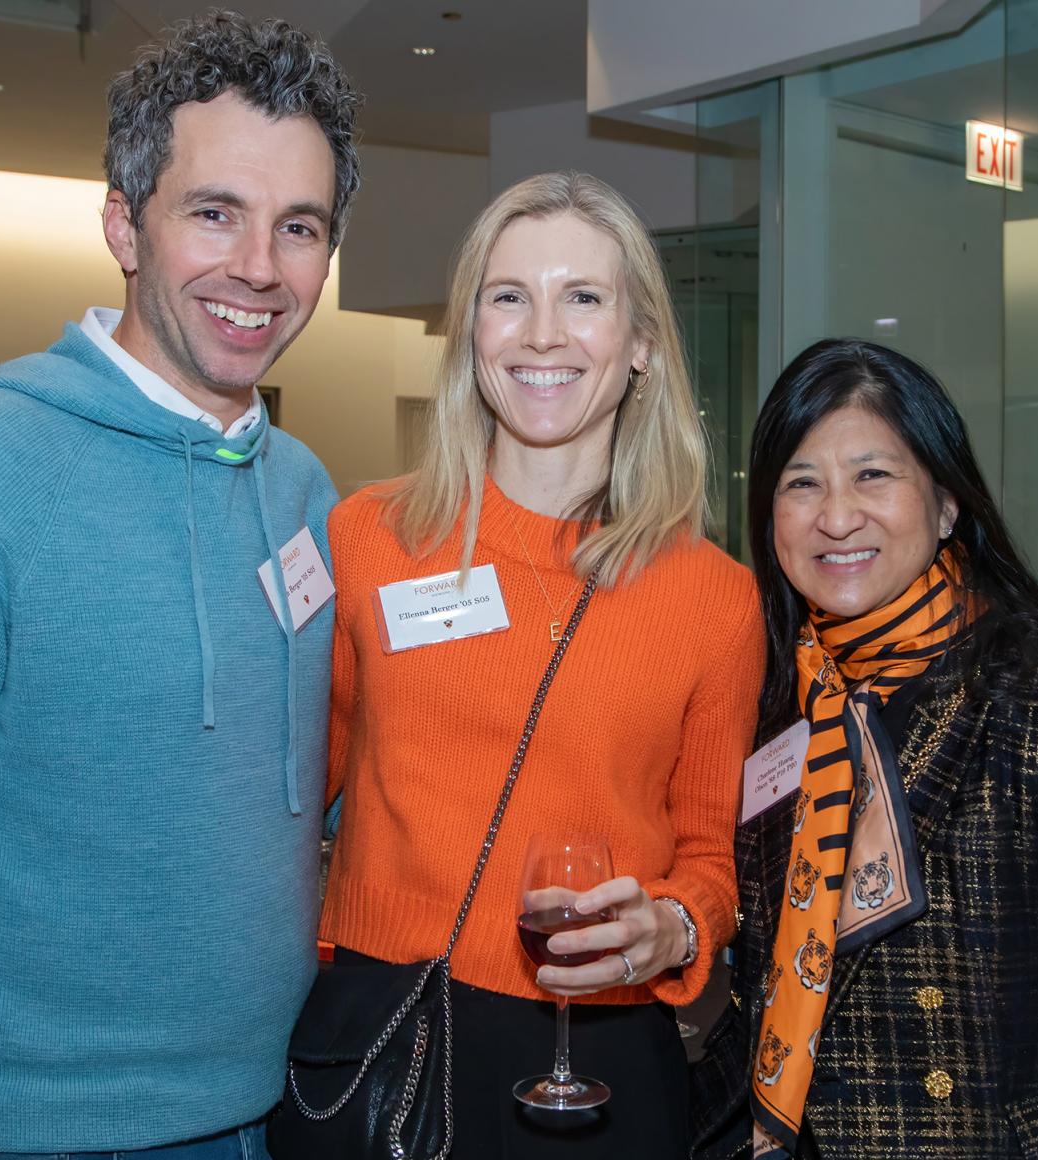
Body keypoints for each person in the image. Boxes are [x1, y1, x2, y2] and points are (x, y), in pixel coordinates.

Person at [276, 171, 765, 1158]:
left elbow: (709, 858)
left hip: (603, 1056)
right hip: (385, 1033)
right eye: (509, 296)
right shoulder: (367, 537)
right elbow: (279, 797)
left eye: (582, 297)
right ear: (472, 332)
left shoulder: (715, 597)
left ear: (639, 342)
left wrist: (673, 926)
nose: (543, 335)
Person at [0, 11, 359, 1158]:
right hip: (35, 1129)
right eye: (214, 213)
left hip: (273, 1109)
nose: (259, 267)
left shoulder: (302, 488)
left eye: (298, 227)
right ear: (122, 225)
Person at [691, 339, 1038, 1159]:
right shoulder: (776, 706)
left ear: (948, 504)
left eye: (873, 475)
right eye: (801, 484)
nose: (836, 517)